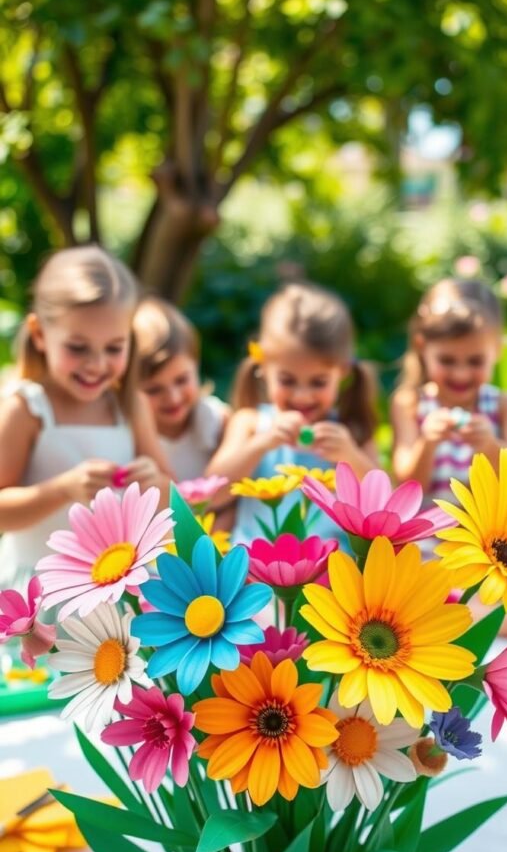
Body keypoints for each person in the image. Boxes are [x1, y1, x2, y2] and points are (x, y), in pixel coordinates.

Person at [0, 245, 173, 593]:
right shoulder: (28, 409)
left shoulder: (130, 406)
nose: (96, 365)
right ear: (39, 335)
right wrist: (63, 489)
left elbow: (172, 500)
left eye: (113, 348)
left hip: (118, 588)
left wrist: (155, 480)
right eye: (77, 348)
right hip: (39, 591)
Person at [207, 281, 379, 543]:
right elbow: (212, 495)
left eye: (318, 382)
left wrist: (350, 455)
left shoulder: (351, 432)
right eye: (287, 381)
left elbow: (383, 502)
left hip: (332, 570)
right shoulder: (250, 423)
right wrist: (261, 444)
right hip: (254, 567)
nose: (302, 395)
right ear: (263, 367)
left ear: (342, 372)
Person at [390, 278, 507, 502]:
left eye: (475, 361)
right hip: (428, 531)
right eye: (446, 361)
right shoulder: (410, 403)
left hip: (489, 532)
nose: (461, 374)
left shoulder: (506, 406)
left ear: (496, 350)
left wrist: (489, 445)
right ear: (422, 347)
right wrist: (427, 443)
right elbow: (405, 484)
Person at [133, 295, 229, 482]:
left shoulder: (215, 420)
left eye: (182, 380)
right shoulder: (129, 435)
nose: (173, 398)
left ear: (196, 366)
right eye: (153, 389)